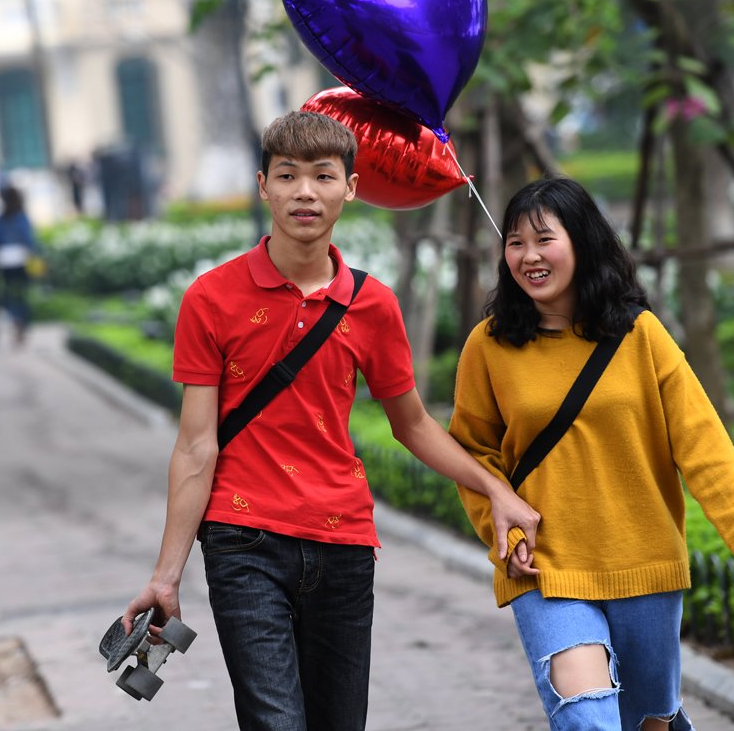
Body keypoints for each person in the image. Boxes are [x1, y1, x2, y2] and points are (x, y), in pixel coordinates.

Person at [122, 111, 540, 731]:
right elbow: (195, 447)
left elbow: (414, 425)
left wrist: (496, 489)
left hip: (343, 542)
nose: (305, 192)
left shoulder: (372, 303)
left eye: (323, 176)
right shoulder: (211, 298)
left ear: (350, 187)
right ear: (263, 186)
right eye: (287, 176)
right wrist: (166, 574)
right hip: (243, 540)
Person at [450, 176, 734, 731]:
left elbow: (703, 445)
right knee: (588, 719)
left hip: (644, 561)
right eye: (514, 242)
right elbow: (472, 453)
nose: (527, 256)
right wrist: (501, 529)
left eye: (543, 239)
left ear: (583, 242)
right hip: (546, 566)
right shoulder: (488, 345)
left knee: (645, 719)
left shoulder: (641, 335)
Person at [0, 185, 35, 346]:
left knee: (9, 291)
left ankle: (15, 318)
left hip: (4, 260)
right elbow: (28, 238)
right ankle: (21, 322)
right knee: (22, 292)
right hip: (20, 258)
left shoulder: (0, 217)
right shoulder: (20, 216)